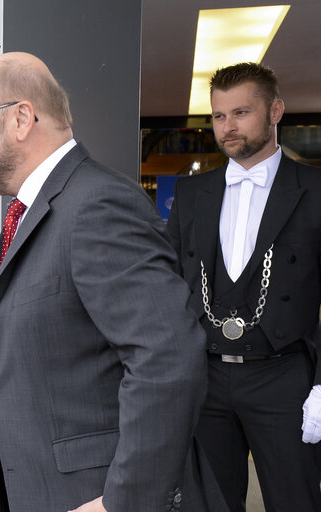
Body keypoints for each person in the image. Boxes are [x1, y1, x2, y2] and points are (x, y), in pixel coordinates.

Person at [0, 52, 226, 512]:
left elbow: (168, 361)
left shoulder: (97, 206)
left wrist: (120, 503)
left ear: (22, 118)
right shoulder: (29, 211)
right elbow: (34, 347)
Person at [165, 62, 321, 511]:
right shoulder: (192, 194)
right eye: (218, 116)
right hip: (206, 376)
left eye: (240, 113)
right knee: (208, 502)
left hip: (285, 378)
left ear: (275, 111)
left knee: (297, 502)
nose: (227, 127)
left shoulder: (314, 189)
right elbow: (170, 289)